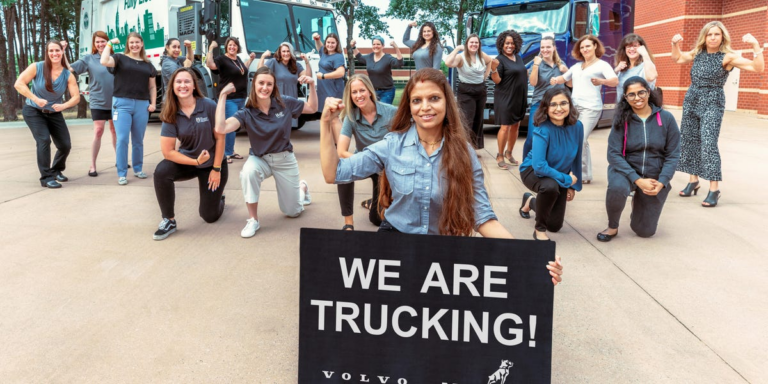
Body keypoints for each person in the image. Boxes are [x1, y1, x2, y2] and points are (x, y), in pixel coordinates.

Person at [319, 68, 563, 285]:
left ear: (447, 102)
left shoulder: (464, 153)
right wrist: (325, 123)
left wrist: (530, 258)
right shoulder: (392, 144)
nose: (425, 106)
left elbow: (483, 217)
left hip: (444, 247)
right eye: (417, 100)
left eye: (433, 98)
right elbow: (335, 173)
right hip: (394, 241)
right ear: (409, 107)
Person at [214, 66, 317, 238]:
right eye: (261, 83)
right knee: (248, 172)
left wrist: (312, 85)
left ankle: (302, 188)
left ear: (274, 86)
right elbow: (221, 128)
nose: (265, 87)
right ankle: (253, 220)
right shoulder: (247, 112)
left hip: (284, 159)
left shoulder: (284, 103)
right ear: (254, 85)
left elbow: (312, 108)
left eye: (269, 84)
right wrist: (223, 95)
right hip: (260, 159)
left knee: (292, 212)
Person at [671, 21, 764, 207]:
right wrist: (675, 44)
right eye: (709, 34)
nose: (713, 37)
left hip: (713, 100)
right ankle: (693, 180)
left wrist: (756, 47)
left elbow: (757, 68)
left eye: (716, 34)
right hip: (692, 98)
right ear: (704, 37)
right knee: (690, 140)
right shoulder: (697, 54)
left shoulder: (727, 57)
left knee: (708, 143)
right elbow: (678, 58)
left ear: (722, 37)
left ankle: (714, 189)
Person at [597, 77, 680, 241]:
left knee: (645, 231)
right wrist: (637, 180)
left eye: (641, 92)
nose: (637, 98)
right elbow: (613, 154)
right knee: (617, 188)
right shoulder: (622, 119)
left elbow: (673, 154)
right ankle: (612, 226)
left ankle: (639, 201)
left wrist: (662, 181)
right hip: (625, 170)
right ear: (626, 98)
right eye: (631, 95)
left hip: (654, 173)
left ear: (648, 92)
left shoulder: (666, 118)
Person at [152, 68, 228, 241]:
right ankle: (169, 220)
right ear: (172, 86)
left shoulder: (209, 105)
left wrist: (216, 169)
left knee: (209, 216)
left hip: (212, 165)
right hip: (190, 161)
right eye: (178, 82)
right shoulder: (170, 111)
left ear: (194, 85)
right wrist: (194, 161)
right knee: (162, 171)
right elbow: (168, 152)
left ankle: (219, 198)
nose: (183, 85)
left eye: (187, 81)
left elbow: (221, 140)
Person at [331, 74, 397, 231]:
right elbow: (341, 151)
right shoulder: (351, 117)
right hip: (364, 160)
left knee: (377, 219)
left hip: (384, 168)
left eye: (362, 90)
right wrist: (366, 159)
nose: (358, 95)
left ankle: (372, 203)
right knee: (344, 169)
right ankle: (348, 224)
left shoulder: (391, 112)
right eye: (354, 92)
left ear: (370, 91)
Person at [551, 35, 618, 184]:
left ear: (595, 46)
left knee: (580, 139)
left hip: (591, 108)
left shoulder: (602, 65)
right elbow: (565, 78)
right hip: (574, 107)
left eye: (588, 46)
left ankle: (579, 173)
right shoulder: (576, 67)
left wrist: (602, 81)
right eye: (582, 47)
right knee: (581, 140)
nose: (585, 49)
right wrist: (556, 80)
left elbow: (614, 81)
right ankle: (585, 174)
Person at [518, 88, 583, 241]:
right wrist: (566, 180)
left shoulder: (577, 126)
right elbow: (539, 166)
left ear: (570, 104)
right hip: (533, 170)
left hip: (558, 174)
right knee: (549, 187)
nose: (559, 108)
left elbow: (577, 157)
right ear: (546, 107)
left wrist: (573, 185)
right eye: (553, 104)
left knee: (555, 225)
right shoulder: (542, 128)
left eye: (563, 103)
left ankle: (530, 201)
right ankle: (539, 230)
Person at [15, 40, 80, 188]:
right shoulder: (37, 67)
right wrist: (36, 99)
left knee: (65, 145)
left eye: (57, 50)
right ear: (47, 52)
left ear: (61, 52)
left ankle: (56, 170)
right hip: (33, 111)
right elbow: (19, 83)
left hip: (54, 112)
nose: (54, 53)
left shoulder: (67, 75)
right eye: (51, 51)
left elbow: (76, 97)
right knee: (44, 140)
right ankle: (46, 178)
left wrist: (64, 105)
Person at [101, 32, 157, 185]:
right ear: (128, 44)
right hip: (122, 103)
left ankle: (138, 169)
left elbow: (152, 87)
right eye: (131, 42)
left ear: (142, 44)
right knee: (122, 139)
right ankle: (122, 173)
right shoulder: (120, 58)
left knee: (138, 140)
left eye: (137, 42)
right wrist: (110, 43)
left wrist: (153, 103)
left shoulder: (148, 65)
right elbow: (104, 60)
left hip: (141, 105)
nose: (134, 45)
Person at [68, 32, 116, 177]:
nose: (100, 44)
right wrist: (63, 52)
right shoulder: (89, 59)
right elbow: (70, 68)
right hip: (98, 101)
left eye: (103, 41)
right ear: (94, 44)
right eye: (97, 42)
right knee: (98, 131)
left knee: (115, 131)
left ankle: (120, 160)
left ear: (108, 43)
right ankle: (93, 165)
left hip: (116, 102)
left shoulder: (116, 58)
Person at [206, 37, 256, 164]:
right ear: (226, 47)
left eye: (234, 45)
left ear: (237, 47)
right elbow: (210, 64)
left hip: (241, 98)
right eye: (230, 45)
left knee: (235, 127)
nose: (232, 47)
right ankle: (224, 153)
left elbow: (242, 70)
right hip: (229, 99)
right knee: (228, 126)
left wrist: (250, 59)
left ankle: (230, 151)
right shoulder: (222, 59)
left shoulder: (237, 59)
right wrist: (211, 48)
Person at [523, 36, 570, 159]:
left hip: (557, 106)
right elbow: (533, 83)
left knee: (554, 137)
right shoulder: (537, 64)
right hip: (539, 104)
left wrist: (566, 71)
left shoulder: (561, 64)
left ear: (554, 48)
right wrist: (535, 66)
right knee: (532, 137)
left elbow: (571, 84)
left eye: (548, 47)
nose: (545, 50)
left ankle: (547, 163)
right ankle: (526, 166)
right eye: (542, 47)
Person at [445, 33, 493, 149]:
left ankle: (474, 148)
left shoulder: (481, 55)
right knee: (466, 121)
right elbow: (448, 63)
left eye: (476, 42)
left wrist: (486, 75)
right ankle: (464, 148)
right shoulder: (461, 57)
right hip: (466, 91)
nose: (474, 44)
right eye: (471, 42)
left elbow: (490, 61)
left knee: (478, 120)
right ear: (467, 44)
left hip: (480, 90)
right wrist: (457, 49)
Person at [490, 30, 527, 169]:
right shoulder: (499, 60)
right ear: (502, 44)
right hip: (505, 97)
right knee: (505, 127)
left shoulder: (518, 58)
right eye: (507, 43)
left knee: (516, 125)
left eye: (512, 43)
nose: (510, 46)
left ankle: (509, 153)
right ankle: (500, 155)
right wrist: (493, 69)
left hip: (519, 97)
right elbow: (497, 80)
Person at [257, 42, 311, 127]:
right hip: (277, 100)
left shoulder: (296, 65)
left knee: (287, 127)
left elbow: (308, 76)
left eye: (288, 51)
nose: (286, 53)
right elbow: (260, 72)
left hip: (291, 100)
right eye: (284, 51)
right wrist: (263, 57)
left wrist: (307, 62)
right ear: (280, 52)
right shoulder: (273, 62)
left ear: (291, 52)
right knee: (276, 125)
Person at [349, 36, 404, 105]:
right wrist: (353, 47)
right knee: (373, 112)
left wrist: (396, 47)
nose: (376, 46)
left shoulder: (387, 58)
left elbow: (400, 63)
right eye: (374, 44)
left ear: (383, 46)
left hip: (387, 91)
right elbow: (359, 57)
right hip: (373, 91)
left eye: (378, 44)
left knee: (383, 112)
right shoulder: (369, 57)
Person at [312, 32, 346, 113]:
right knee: (325, 115)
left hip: (333, 90)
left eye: (333, 43)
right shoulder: (324, 53)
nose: (330, 45)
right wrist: (317, 39)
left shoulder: (338, 56)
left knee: (333, 116)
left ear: (337, 43)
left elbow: (341, 73)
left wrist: (323, 76)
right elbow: (320, 47)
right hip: (323, 90)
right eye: (328, 42)